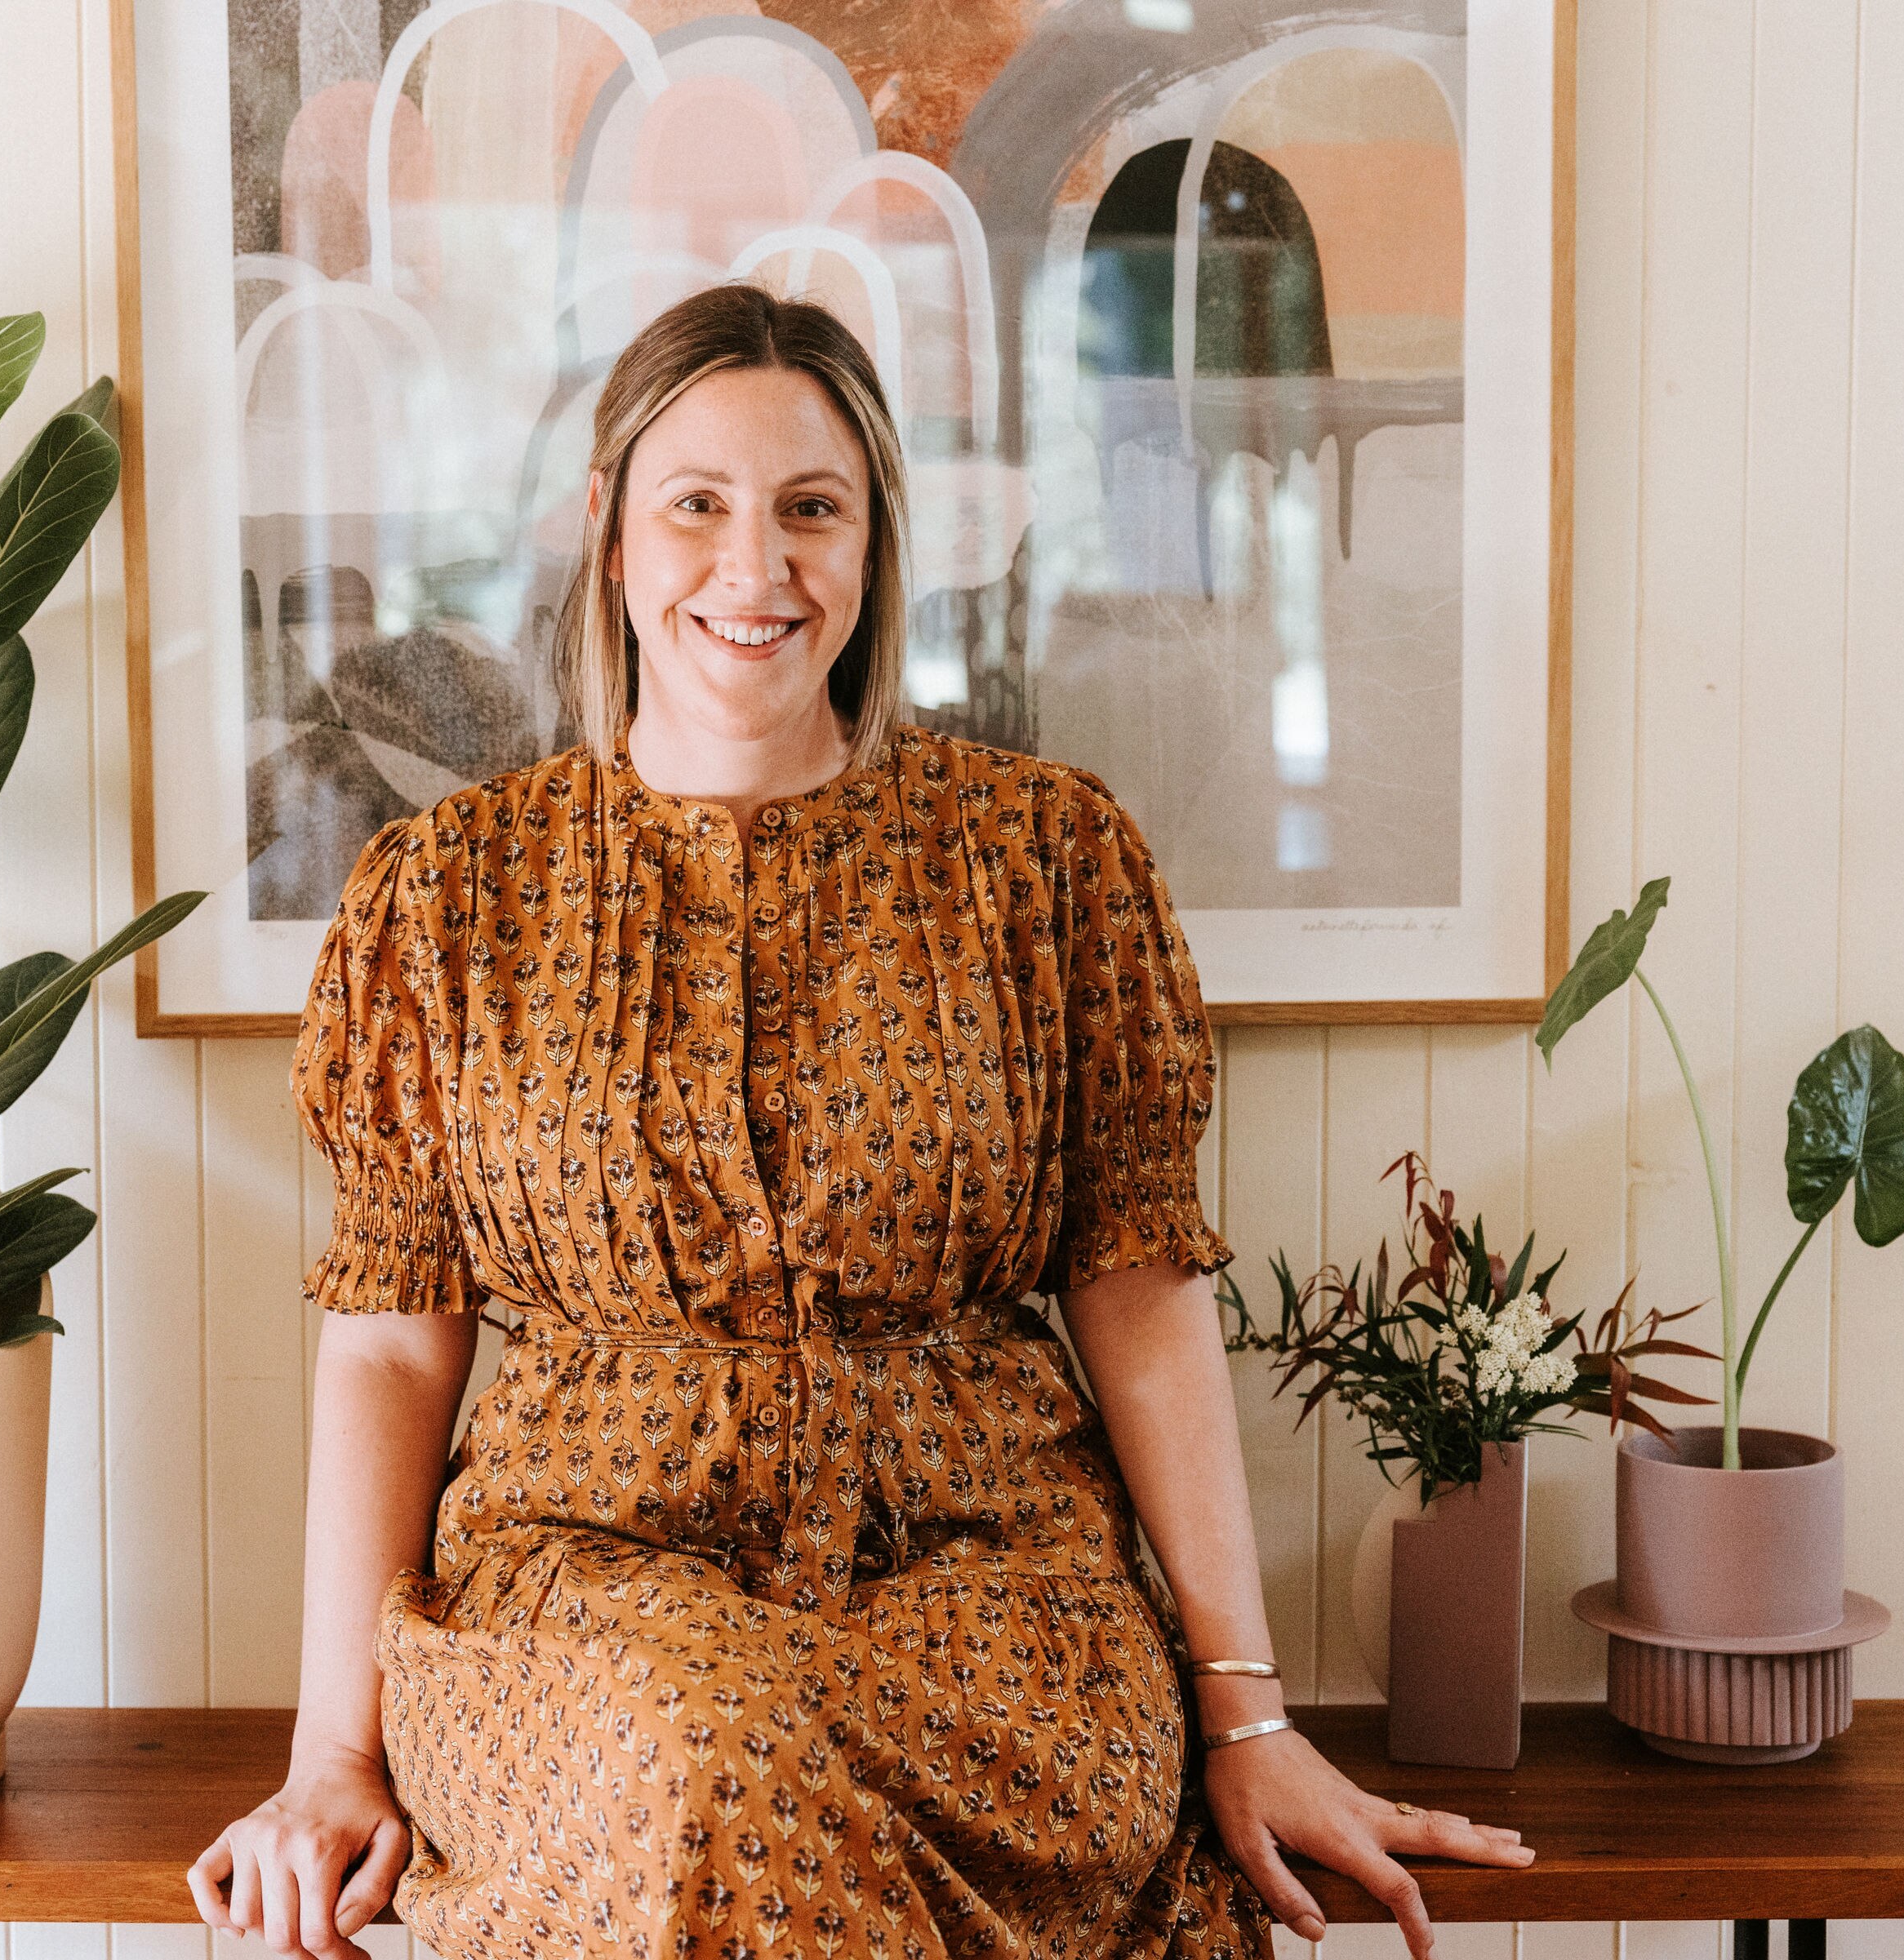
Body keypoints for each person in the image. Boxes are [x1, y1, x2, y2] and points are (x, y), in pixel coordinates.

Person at [189, 284, 1534, 1959]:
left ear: (875, 545)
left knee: (754, 1763)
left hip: (999, 1593)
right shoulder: (447, 901)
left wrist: (1247, 1720)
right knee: (708, 1751)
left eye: (810, 509)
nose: (754, 569)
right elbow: (394, 1349)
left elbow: (1138, 1291)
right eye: (698, 504)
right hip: (579, 1598)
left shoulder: (1045, 860)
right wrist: (333, 1755)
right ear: (613, 532)